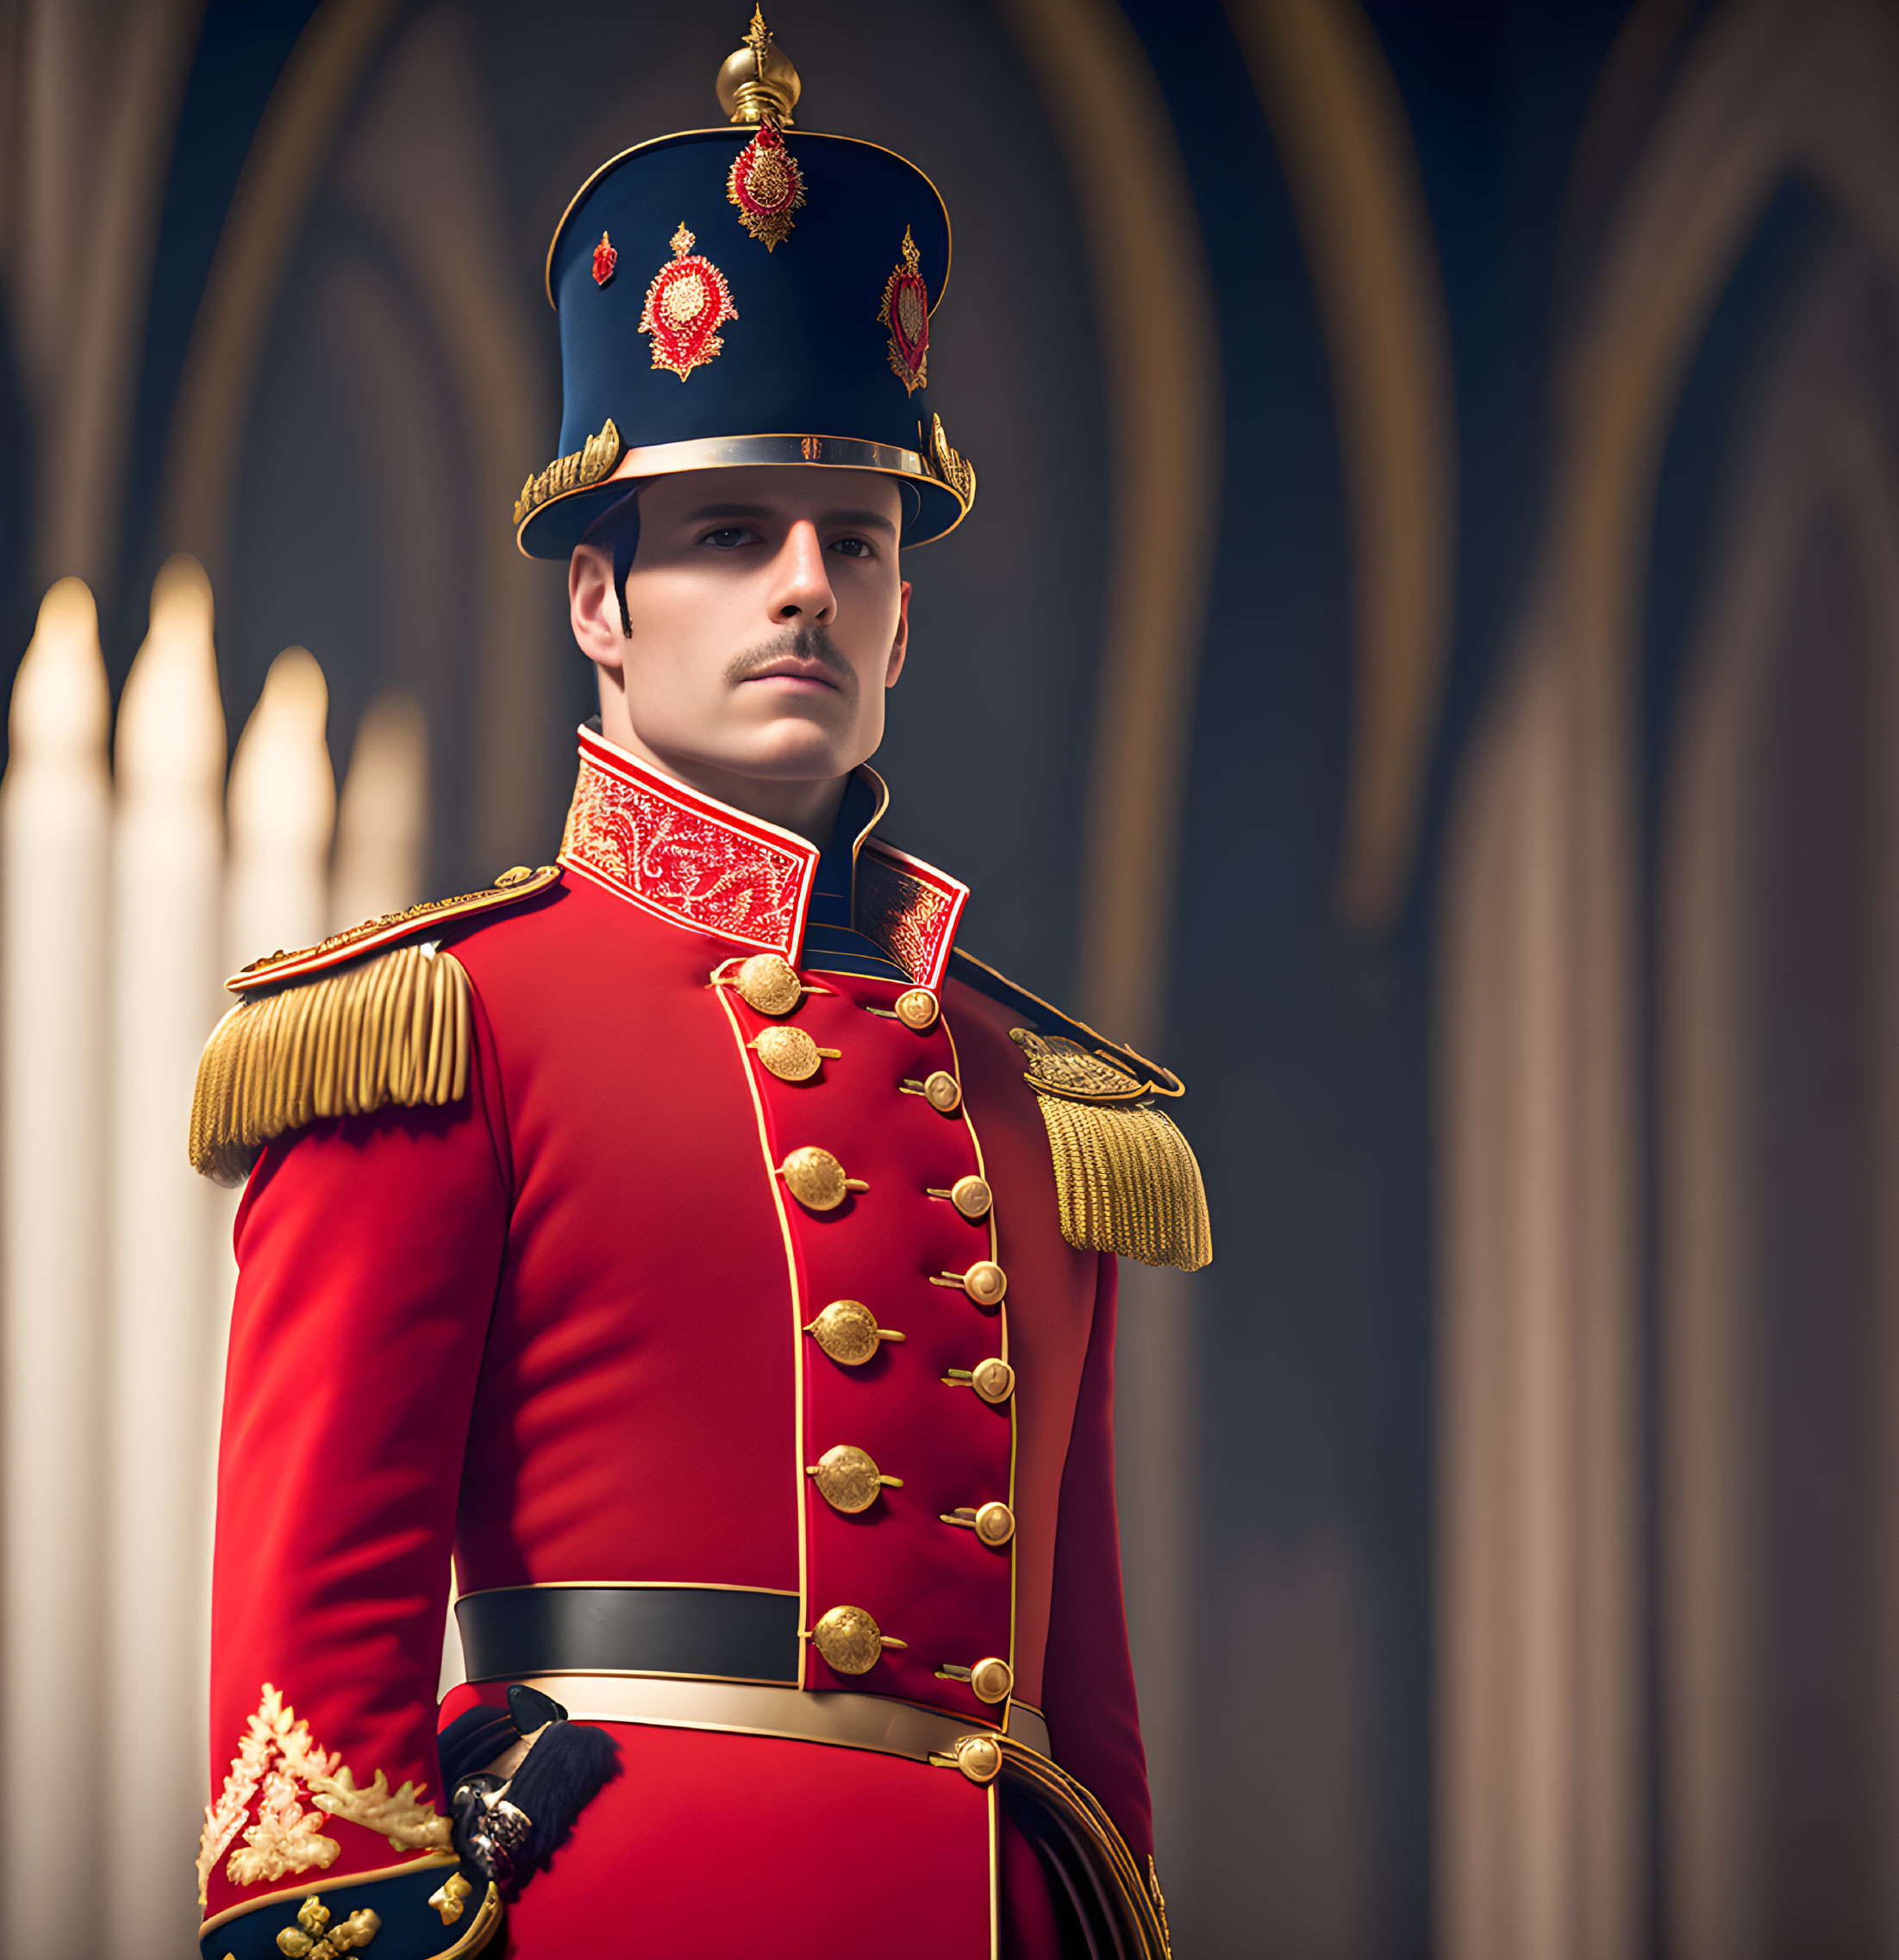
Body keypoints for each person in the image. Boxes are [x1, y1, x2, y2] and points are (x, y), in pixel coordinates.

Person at [189, 15, 1209, 1958]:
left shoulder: (1023, 1090)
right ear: (599, 603)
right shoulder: (437, 1027)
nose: (805, 586)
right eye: (731, 536)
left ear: (905, 613)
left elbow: (1081, 1730)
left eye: (856, 539)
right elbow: (303, 1749)